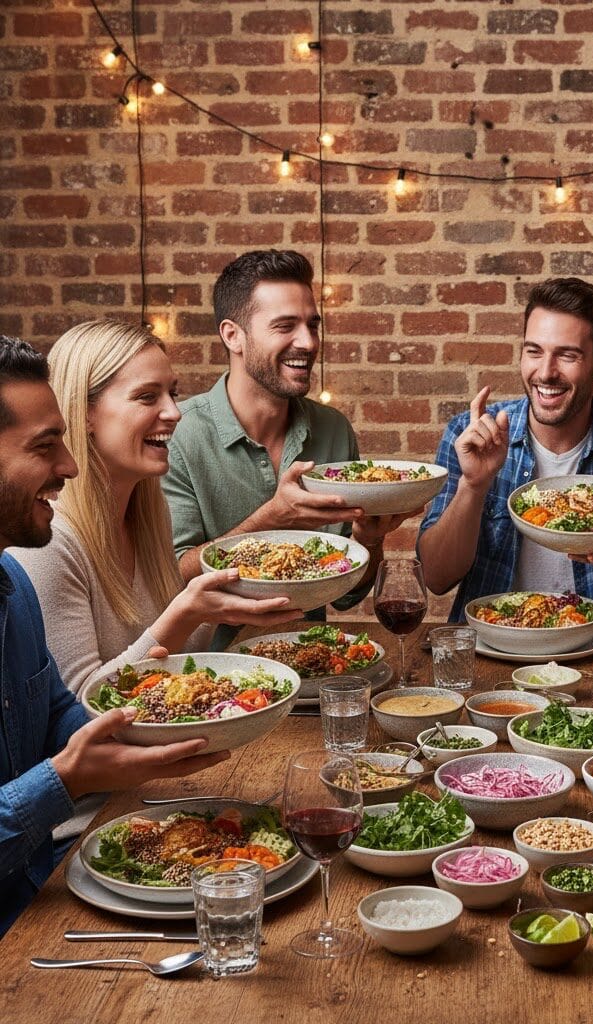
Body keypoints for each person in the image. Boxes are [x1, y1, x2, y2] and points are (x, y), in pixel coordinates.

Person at [0, 336, 228, 937]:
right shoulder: (39, 561)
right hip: (49, 884)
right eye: (46, 446)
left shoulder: (9, 588)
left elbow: (70, 722)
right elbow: (70, 760)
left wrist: (184, 729)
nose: (69, 465)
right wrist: (66, 778)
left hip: (49, 878)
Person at [11, 320, 297, 696]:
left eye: (172, 394)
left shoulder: (149, 512)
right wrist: (186, 614)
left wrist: (219, 604)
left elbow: (173, 666)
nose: (174, 412)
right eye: (148, 397)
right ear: (83, 413)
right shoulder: (49, 544)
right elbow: (81, 708)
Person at [162, 250, 411, 642]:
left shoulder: (333, 429)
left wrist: (369, 537)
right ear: (233, 335)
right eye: (285, 326)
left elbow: (347, 597)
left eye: (313, 325)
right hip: (208, 676)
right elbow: (168, 578)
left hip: (310, 665)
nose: (308, 342)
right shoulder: (178, 434)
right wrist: (273, 518)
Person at [417, 276, 593, 623]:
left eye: (567, 355)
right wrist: (473, 486)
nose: (546, 372)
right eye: (533, 351)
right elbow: (435, 578)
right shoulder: (471, 434)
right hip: (488, 652)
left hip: (592, 654)